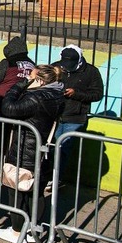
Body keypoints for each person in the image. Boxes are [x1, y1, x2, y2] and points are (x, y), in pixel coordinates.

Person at [0, 64, 65, 243]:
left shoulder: (37, 97)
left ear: (40, 80)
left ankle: (17, 231)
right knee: (35, 191)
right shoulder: (58, 95)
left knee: (17, 190)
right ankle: (30, 226)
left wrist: (24, 82)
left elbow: (9, 107)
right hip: (41, 151)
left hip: (25, 149)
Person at [0, 36, 35, 175]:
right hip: (20, 107)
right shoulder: (32, 64)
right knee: (13, 142)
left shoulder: (7, 63)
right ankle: (8, 170)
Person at [51, 45, 104, 185]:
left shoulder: (91, 72)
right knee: (51, 147)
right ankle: (50, 176)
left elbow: (97, 94)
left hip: (75, 117)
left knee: (64, 149)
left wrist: (77, 94)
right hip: (55, 114)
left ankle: (57, 179)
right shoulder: (56, 67)